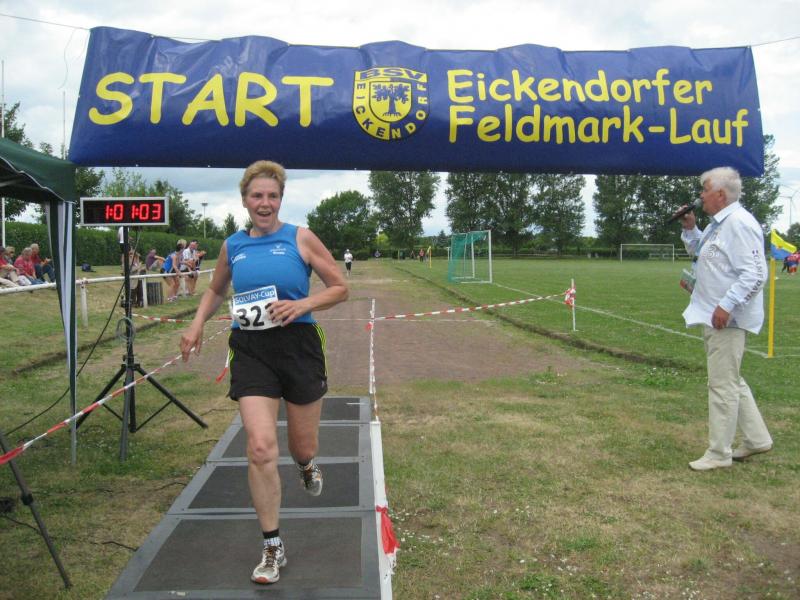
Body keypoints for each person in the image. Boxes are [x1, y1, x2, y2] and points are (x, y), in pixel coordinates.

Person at [179, 160, 348, 585]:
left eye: (272, 195)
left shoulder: (300, 237)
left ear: (281, 199)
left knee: (302, 446)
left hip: (299, 347)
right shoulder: (233, 245)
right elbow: (216, 288)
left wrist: (302, 304)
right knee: (259, 447)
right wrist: (196, 323)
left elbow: (340, 287)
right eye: (257, 195)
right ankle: (272, 545)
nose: (265, 202)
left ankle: (306, 465)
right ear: (244, 200)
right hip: (252, 348)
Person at [677, 166, 772, 472]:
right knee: (730, 380)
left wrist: (727, 305)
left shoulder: (739, 223)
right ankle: (757, 439)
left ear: (720, 194)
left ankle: (719, 452)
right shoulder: (719, 224)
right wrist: (691, 228)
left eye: (705, 190)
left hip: (726, 319)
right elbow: (703, 254)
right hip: (712, 313)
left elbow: (756, 273)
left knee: (722, 385)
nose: (701, 195)